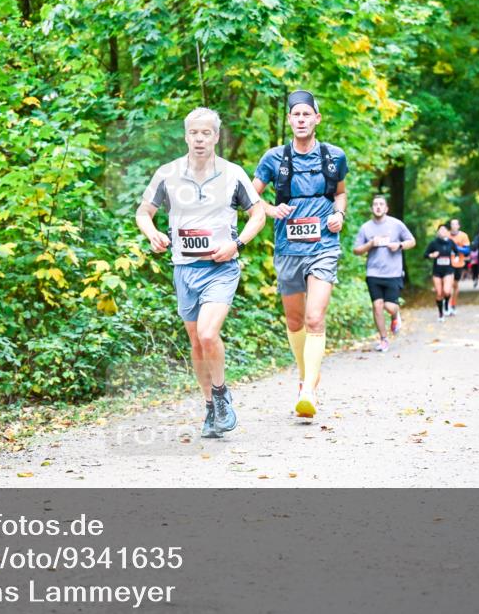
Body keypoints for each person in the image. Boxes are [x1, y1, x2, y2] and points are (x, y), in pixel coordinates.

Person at [136, 107, 267, 438]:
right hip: (184, 268)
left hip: (220, 268)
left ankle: (222, 395)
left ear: (216, 137)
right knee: (196, 342)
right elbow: (144, 213)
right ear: (185, 135)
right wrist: (153, 233)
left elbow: (259, 214)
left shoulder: (232, 173)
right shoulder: (167, 174)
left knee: (208, 334)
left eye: (206, 133)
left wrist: (237, 244)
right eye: (194, 132)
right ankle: (210, 407)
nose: (199, 138)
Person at [252, 89, 348, 418]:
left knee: (314, 318)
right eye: (297, 115)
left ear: (317, 119)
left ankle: (309, 389)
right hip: (288, 249)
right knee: (294, 320)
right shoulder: (273, 159)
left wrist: (339, 215)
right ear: (290, 120)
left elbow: (341, 195)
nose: (302, 119)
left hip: (323, 246)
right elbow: (250, 199)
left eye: (308, 114)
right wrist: (269, 209)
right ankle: (305, 374)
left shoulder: (334, 156)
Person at [353, 194, 415, 353]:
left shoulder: (396, 224)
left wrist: (399, 245)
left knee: (389, 306)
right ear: (372, 208)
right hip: (373, 272)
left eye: (381, 204)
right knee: (377, 305)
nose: (378, 207)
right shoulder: (366, 227)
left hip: (393, 272)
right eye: (375, 204)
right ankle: (383, 339)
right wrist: (370, 244)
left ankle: (395, 316)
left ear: (386, 208)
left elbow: (411, 241)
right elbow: (356, 250)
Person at [424, 224, 456, 322]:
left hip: (448, 270)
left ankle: (446, 304)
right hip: (437, 271)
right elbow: (425, 255)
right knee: (439, 293)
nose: (442, 232)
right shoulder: (433, 243)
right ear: (437, 232)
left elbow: (457, 251)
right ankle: (441, 314)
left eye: (444, 230)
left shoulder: (450, 242)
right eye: (440, 230)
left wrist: (456, 256)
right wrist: (432, 255)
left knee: (447, 291)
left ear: (447, 232)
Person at [448, 218, 471, 315]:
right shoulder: (446, 235)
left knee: (455, 285)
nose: (453, 226)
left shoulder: (463, 236)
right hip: (448, 263)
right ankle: (448, 306)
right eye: (452, 224)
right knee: (449, 284)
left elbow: (467, 251)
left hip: (459, 263)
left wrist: (456, 247)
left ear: (458, 226)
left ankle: (453, 304)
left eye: (455, 224)